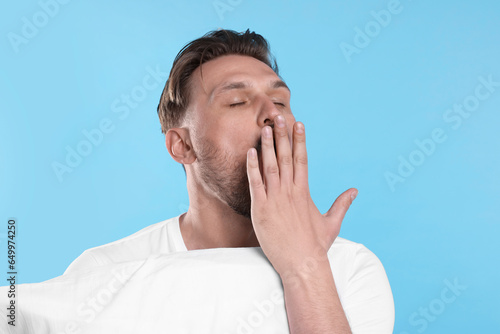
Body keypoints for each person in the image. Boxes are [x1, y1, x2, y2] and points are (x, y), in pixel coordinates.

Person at [64, 29, 394, 333]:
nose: (273, 115)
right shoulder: (105, 273)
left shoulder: (351, 269)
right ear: (183, 146)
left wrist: (305, 267)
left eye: (280, 102)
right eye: (237, 101)